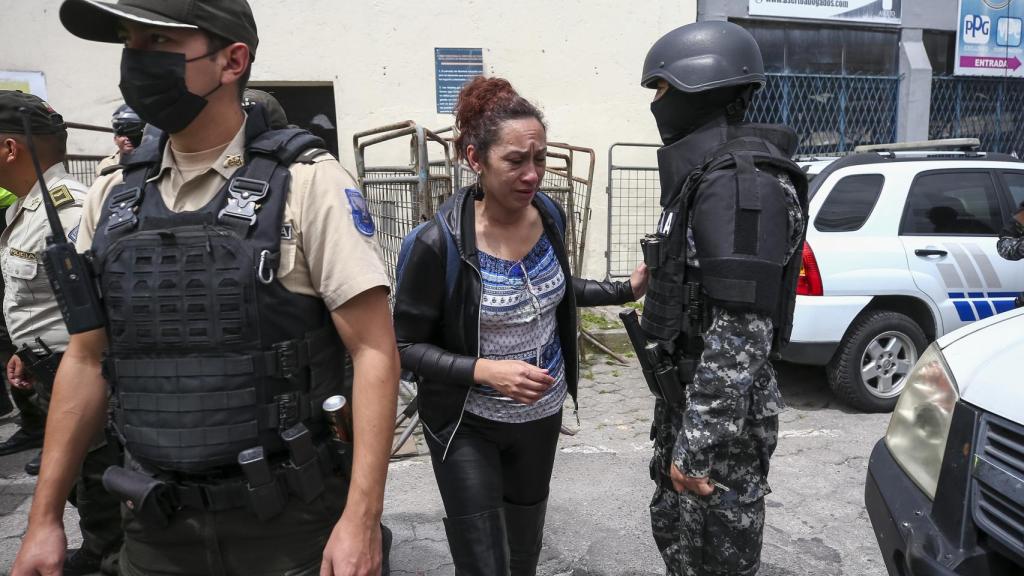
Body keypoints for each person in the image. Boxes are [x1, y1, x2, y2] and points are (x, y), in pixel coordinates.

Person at [13, 1, 399, 575]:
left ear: (232, 60)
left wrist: (361, 520)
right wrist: (43, 517)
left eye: (159, 43)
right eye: (130, 41)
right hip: (151, 525)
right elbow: (87, 359)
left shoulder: (308, 183)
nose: (136, 60)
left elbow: (374, 351)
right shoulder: (112, 198)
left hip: (286, 523)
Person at [393, 76, 647, 575]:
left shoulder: (550, 215)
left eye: (540, 158)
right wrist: (486, 371)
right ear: (474, 158)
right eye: (515, 160)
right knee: (486, 563)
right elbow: (403, 347)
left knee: (524, 556)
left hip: (540, 418)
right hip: (467, 423)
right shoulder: (435, 245)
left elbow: (551, 289)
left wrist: (624, 290)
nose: (533, 174)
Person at [635, 22, 808, 576]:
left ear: (699, 85)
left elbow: (741, 334)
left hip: (720, 429)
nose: (656, 103)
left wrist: (697, 448)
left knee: (715, 557)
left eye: (661, 89)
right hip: (691, 405)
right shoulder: (709, 176)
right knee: (679, 542)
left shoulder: (741, 184)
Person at [0, 90, 125, 575]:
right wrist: (23, 352)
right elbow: (41, 300)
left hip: (81, 374)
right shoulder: (27, 208)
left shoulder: (68, 211)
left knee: (97, 482)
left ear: (11, 149)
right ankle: (99, 550)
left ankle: (112, 558)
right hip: (48, 367)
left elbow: (104, 307)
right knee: (75, 479)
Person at [94, 104, 144, 176]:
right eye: (122, 135)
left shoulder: (151, 159)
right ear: (115, 140)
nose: (128, 138)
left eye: (134, 133)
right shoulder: (107, 164)